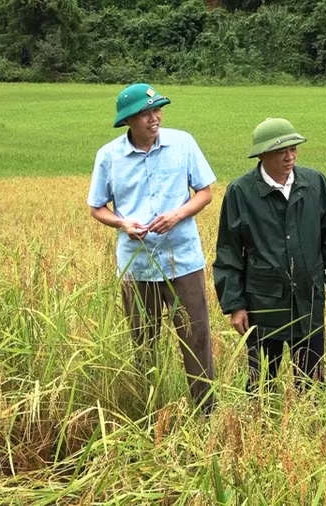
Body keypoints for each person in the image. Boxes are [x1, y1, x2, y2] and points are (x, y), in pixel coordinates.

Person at [87, 83, 216, 413]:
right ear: (127, 121)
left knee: (196, 337)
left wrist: (177, 214)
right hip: (137, 266)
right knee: (143, 341)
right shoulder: (109, 157)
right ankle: (148, 413)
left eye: (157, 110)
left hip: (182, 260)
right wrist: (123, 224)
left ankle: (206, 412)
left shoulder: (183, 143)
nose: (154, 117)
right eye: (144, 114)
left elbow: (205, 192)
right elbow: (97, 207)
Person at [213, 118, 326, 391]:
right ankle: (258, 430)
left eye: (293, 149)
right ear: (262, 154)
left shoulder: (314, 183)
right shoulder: (241, 192)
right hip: (263, 303)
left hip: (308, 299)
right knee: (261, 382)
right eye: (281, 151)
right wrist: (235, 304)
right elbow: (229, 252)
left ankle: (310, 429)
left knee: (312, 381)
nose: (290, 156)